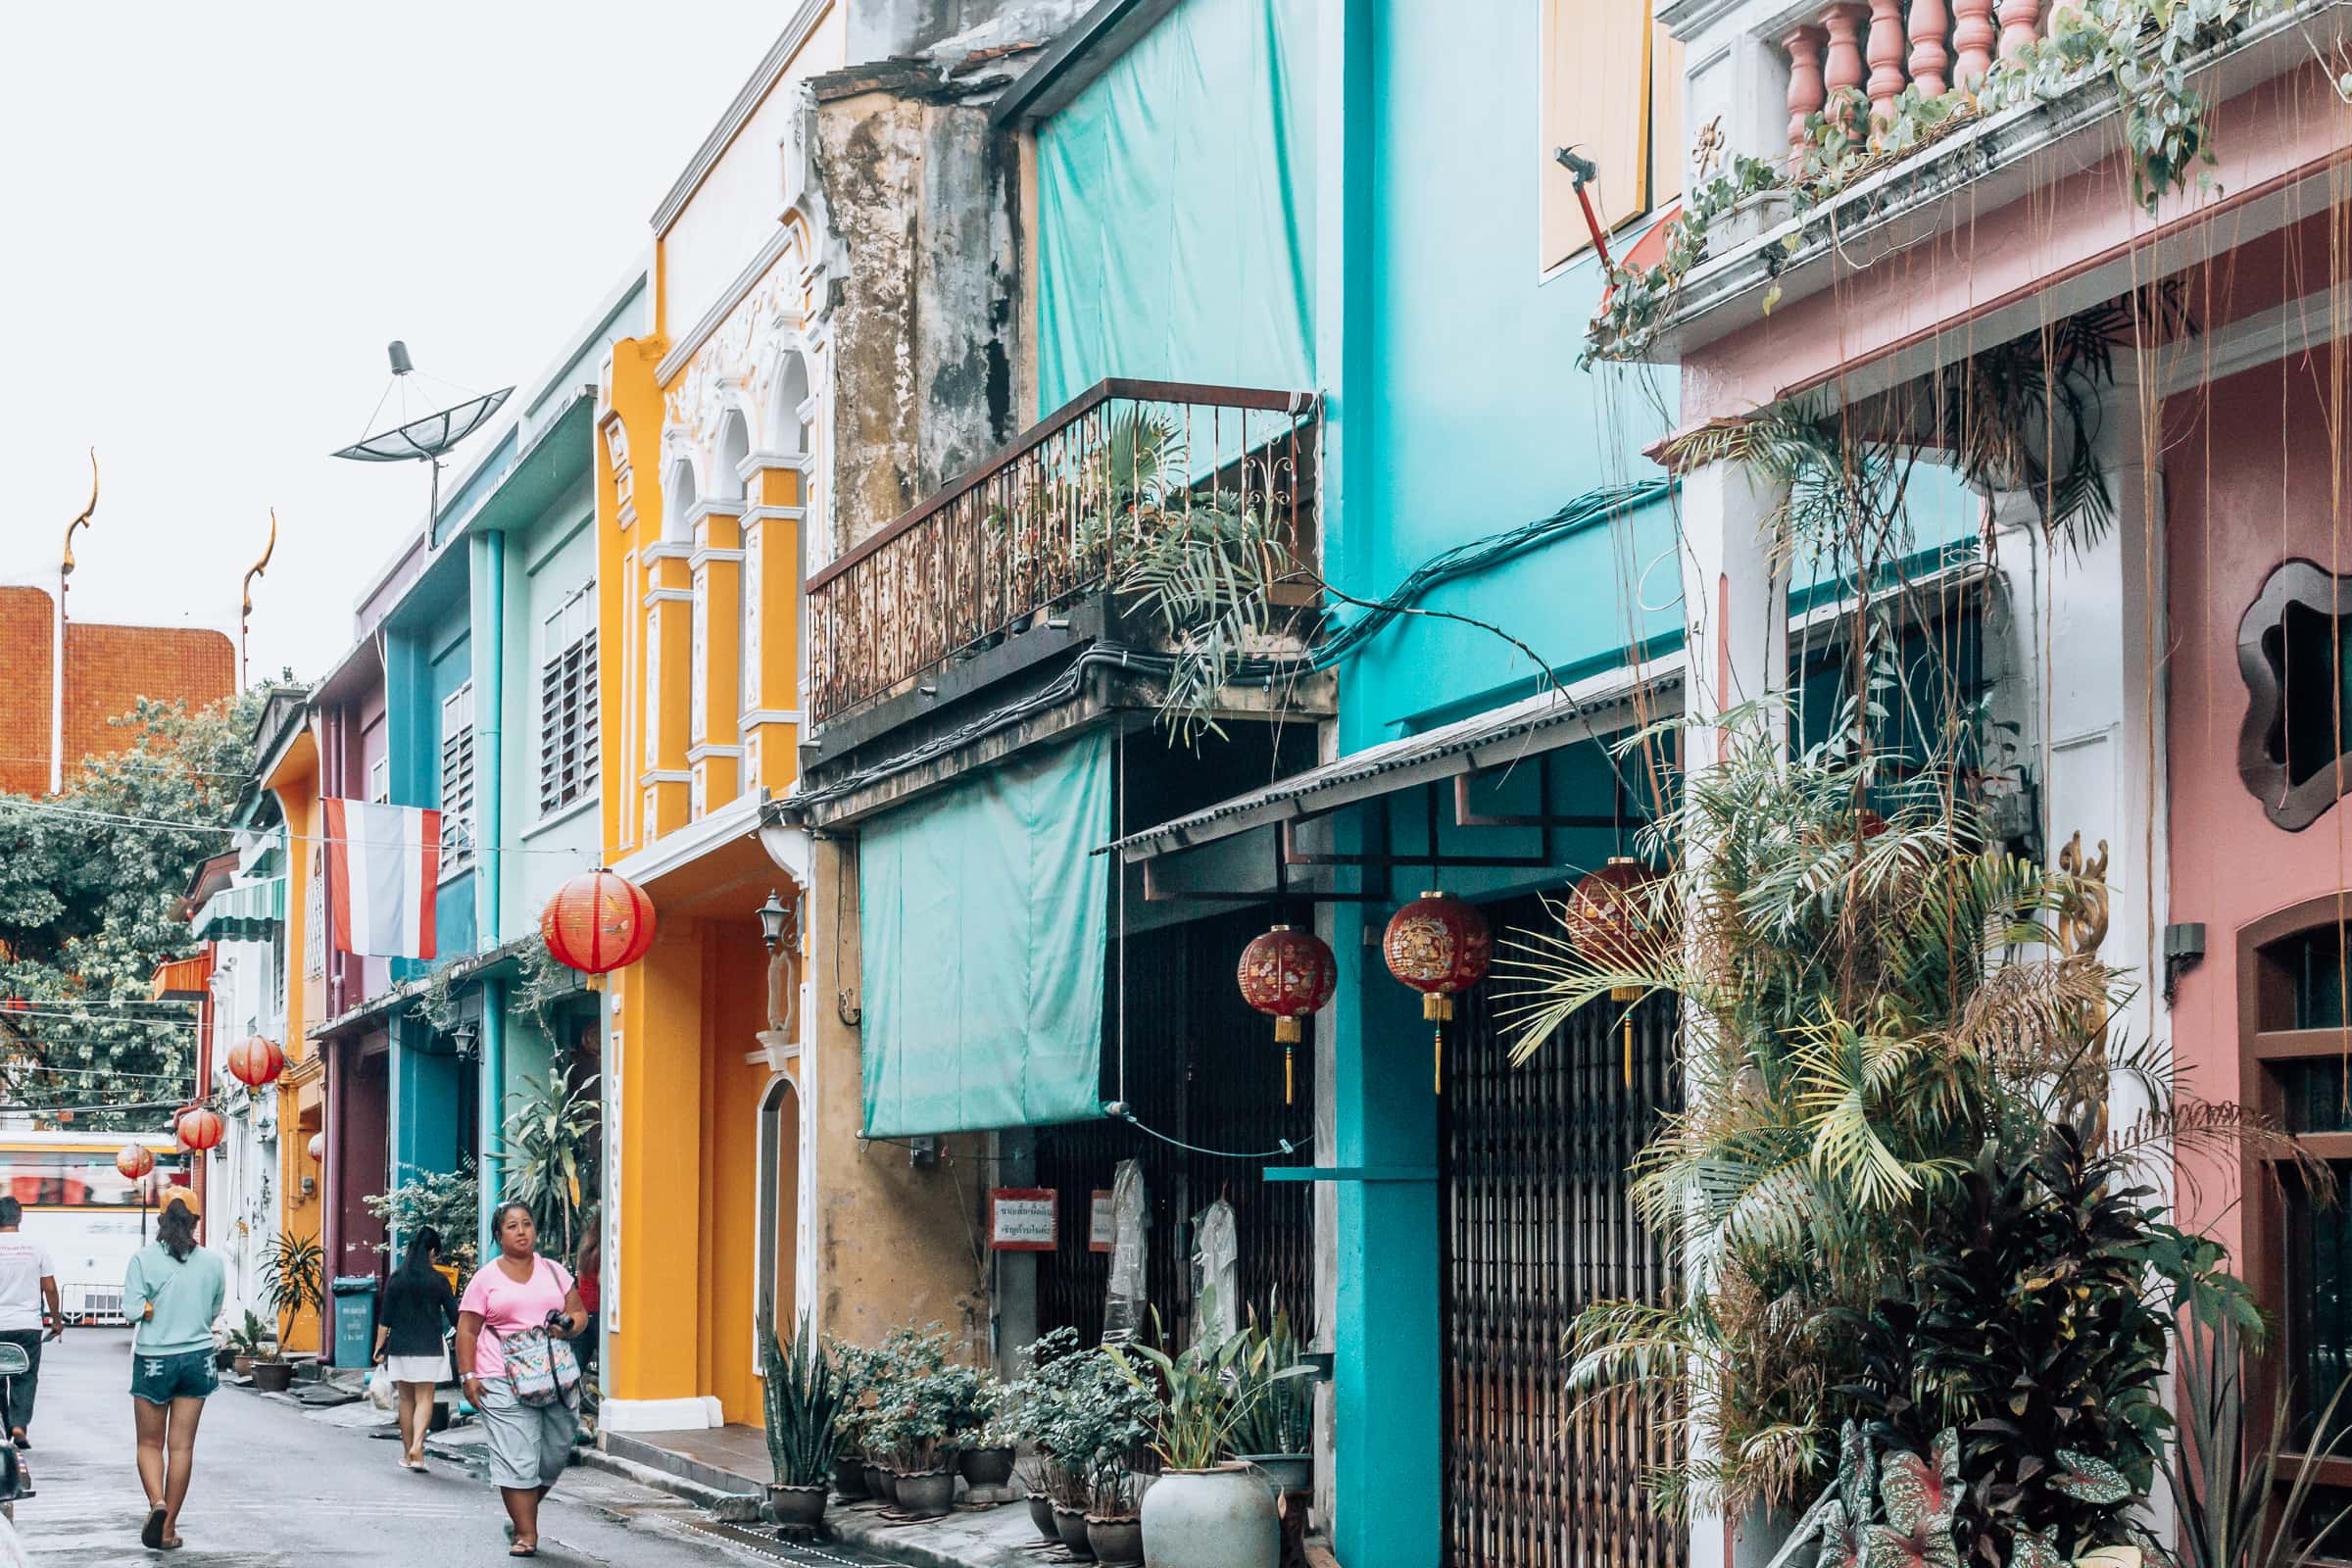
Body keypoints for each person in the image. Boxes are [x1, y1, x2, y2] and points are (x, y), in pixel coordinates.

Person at [457, 1202, 585, 1558]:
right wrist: (469, 1375)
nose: (521, 1231)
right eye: (512, 1226)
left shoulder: (555, 1272)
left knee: (554, 1454)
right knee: (518, 1456)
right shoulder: (485, 1279)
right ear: (499, 1236)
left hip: (555, 1377)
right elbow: (467, 1330)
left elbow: (578, 1312)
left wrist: (570, 1325)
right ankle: (526, 1533)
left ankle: (521, 1511)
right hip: (500, 1377)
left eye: (527, 1224)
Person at [124, 1191, 224, 1552]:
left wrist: (151, 1308)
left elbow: (132, 1310)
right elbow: (213, 1310)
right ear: (196, 1222)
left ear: (160, 1221)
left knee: (149, 1444)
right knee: (181, 1447)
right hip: (198, 1359)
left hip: (154, 1358)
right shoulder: (213, 1263)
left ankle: (157, 1503)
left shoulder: (142, 1260)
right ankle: (167, 1531)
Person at [371, 1226, 458, 1471]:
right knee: (425, 1398)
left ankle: (409, 1455)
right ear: (431, 1251)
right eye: (435, 1254)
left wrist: (378, 1349)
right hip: (430, 1346)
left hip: (400, 1347)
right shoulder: (439, 1280)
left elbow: (385, 1319)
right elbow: (455, 1317)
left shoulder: (397, 1278)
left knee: (406, 1400)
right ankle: (418, 1448)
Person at [0, 1199, 61, 1450]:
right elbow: (49, 1287)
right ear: (20, 1216)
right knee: (25, 1377)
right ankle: (18, 1425)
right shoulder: (36, 1247)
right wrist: (56, 1320)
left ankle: (5, 1429)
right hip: (27, 1326)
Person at [571, 1221, 600, 1378]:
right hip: (597, 1310)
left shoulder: (585, 1251)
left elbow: (580, 1279)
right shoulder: (602, 1252)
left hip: (583, 1310)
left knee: (578, 1363)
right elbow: (602, 1279)